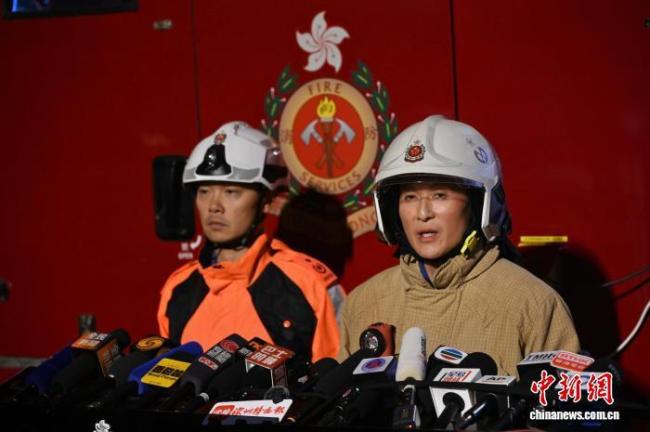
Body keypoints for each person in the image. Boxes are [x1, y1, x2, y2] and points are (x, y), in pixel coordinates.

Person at [337, 115, 580, 376]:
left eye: (440, 195)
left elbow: (564, 399)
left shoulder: (533, 304)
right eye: (410, 197)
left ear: (478, 205)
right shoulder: (363, 303)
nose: (422, 213)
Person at [157, 121, 340, 362]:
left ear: (267, 200)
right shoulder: (178, 288)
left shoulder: (311, 286)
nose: (214, 206)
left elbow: (337, 376)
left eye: (231, 192)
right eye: (204, 191)